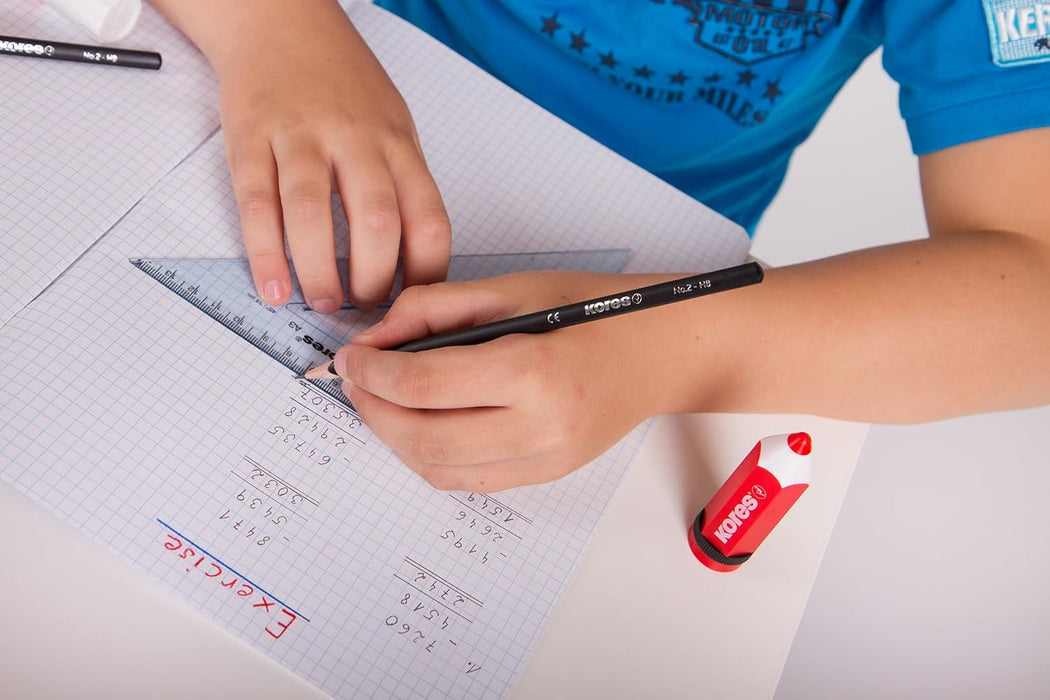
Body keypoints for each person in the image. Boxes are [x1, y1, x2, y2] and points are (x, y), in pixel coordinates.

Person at [150, 0, 1050, 492]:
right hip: (288, 84)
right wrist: (269, 24)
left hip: (643, 281)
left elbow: (1033, 288)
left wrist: (673, 348)